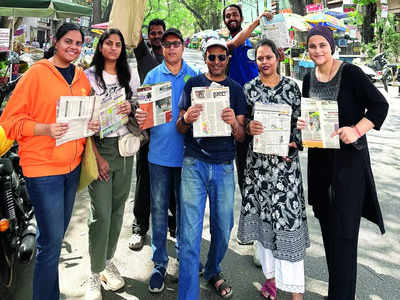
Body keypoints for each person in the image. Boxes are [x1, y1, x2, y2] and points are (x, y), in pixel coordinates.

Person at [0, 23, 99, 300]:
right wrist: (44, 128)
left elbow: (84, 116)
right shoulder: (35, 75)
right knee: (50, 243)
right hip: (43, 171)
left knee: (55, 240)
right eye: (68, 41)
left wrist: (91, 123)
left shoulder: (81, 78)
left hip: (72, 169)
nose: (74, 47)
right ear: (55, 42)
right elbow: (9, 122)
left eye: (79, 43)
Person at [298, 26, 389, 300]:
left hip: (349, 168)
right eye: (312, 46)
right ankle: (337, 292)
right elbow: (309, 118)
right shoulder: (307, 78)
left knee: (346, 238)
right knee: (329, 234)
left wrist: (357, 130)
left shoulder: (351, 74)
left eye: (322, 45)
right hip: (320, 166)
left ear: (332, 46)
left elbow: (379, 106)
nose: (317, 51)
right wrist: (303, 125)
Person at [236, 39, 309, 300]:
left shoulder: (291, 88)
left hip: (285, 171)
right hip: (259, 171)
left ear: (277, 58)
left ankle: (295, 291)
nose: (264, 62)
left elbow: (303, 126)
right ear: (255, 61)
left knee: (288, 227)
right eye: (259, 58)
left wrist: (294, 141)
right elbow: (241, 131)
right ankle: (271, 280)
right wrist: (249, 128)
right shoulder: (249, 90)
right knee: (265, 227)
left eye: (268, 57)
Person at [176, 38, 246, 300]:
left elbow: (240, 137)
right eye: (211, 57)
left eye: (221, 57)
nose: (216, 62)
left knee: (223, 226)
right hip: (194, 163)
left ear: (228, 59)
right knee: (191, 232)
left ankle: (213, 269)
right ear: (205, 58)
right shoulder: (193, 85)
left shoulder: (236, 90)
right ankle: (188, 295)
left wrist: (233, 124)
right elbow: (179, 128)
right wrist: (186, 118)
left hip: (224, 166)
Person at [135, 28, 198, 293]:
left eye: (176, 44)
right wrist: (139, 120)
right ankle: (159, 263)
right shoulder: (152, 76)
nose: (171, 48)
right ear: (161, 48)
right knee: (159, 212)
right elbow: (142, 115)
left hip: (188, 157)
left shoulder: (194, 76)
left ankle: (185, 260)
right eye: (166, 45)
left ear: (183, 47)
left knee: (186, 214)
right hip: (159, 156)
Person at [83, 29, 140, 300]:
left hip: (126, 147)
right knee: (101, 214)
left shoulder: (130, 74)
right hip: (100, 148)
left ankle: (106, 263)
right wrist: (97, 156)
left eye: (118, 45)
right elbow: (82, 123)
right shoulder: (88, 76)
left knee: (118, 212)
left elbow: (141, 106)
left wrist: (131, 106)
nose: (114, 48)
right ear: (101, 46)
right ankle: (93, 274)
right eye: (109, 43)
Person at [129, 18, 177, 251]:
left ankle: (174, 226)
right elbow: (133, 27)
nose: (157, 36)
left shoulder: (176, 61)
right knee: (144, 180)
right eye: (153, 33)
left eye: (160, 33)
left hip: (171, 135)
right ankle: (139, 227)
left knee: (172, 183)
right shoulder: (144, 56)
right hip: (148, 133)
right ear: (148, 36)